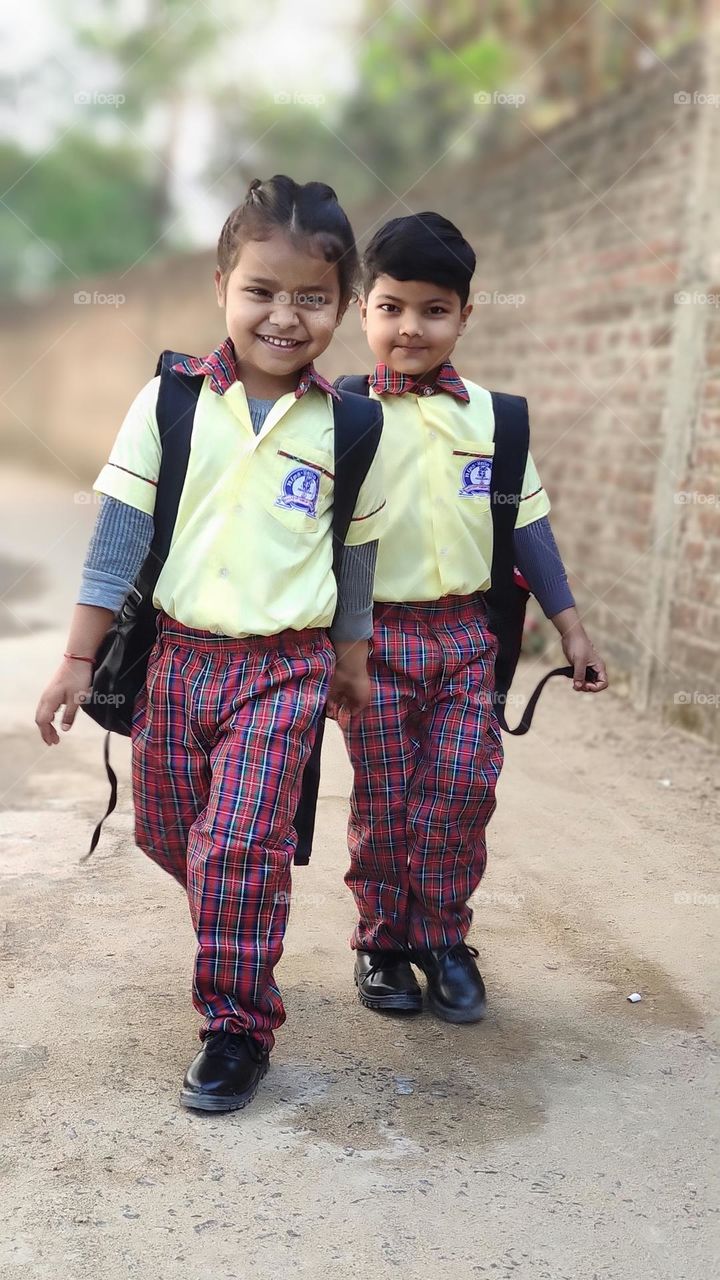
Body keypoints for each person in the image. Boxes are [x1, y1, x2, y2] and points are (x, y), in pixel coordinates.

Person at [34, 175, 386, 1111]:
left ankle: (236, 1024)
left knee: (235, 843)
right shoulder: (170, 401)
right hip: (176, 663)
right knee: (169, 830)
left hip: (284, 670)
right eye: (262, 290)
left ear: (342, 306)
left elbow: (356, 551)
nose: (285, 315)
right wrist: (76, 660)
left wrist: (350, 661)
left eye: (312, 297)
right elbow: (117, 539)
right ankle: (246, 911)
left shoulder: (351, 423)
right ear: (223, 285)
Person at [333, 213, 608, 1024]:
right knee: (384, 801)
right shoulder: (339, 415)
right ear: (361, 309)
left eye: (434, 309)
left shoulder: (498, 420)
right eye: (392, 308)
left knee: (460, 790)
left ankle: (444, 940)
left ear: (465, 314)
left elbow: (528, 529)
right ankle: (384, 945)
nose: (410, 327)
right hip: (370, 638)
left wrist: (571, 627)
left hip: (465, 639)